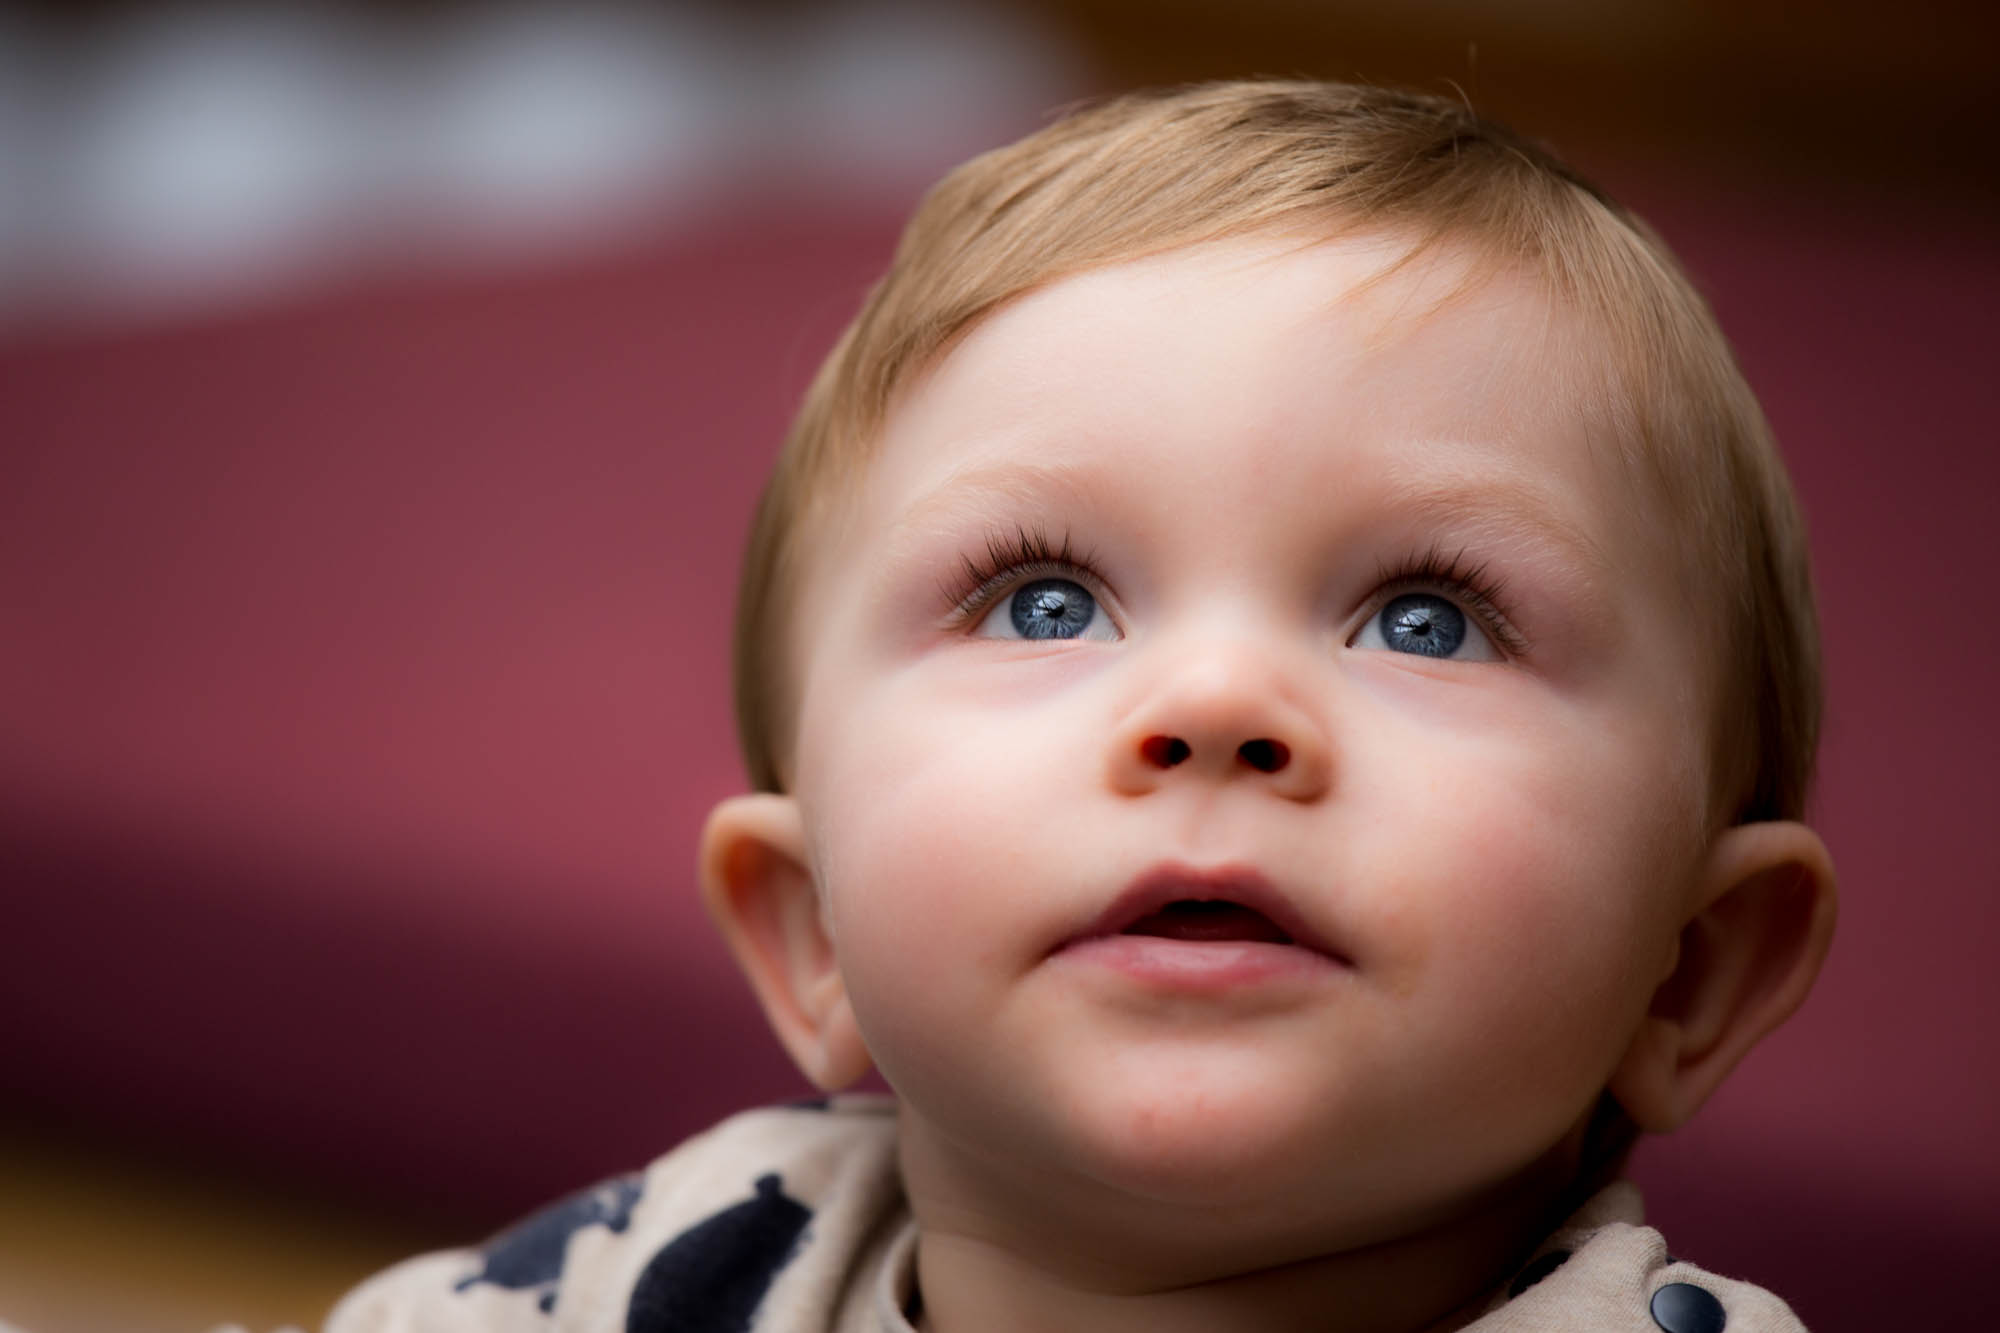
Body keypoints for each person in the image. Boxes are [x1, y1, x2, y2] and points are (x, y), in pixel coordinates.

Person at [326, 79, 1838, 1332]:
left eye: (1425, 620)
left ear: (1688, 970)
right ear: (807, 927)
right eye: (1046, 601)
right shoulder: (663, 1272)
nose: (1219, 704)